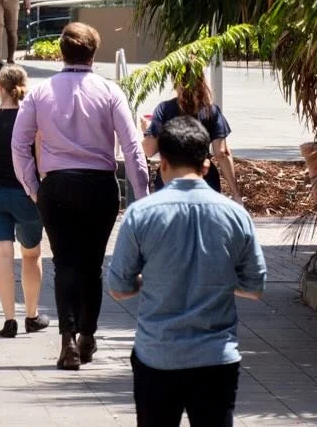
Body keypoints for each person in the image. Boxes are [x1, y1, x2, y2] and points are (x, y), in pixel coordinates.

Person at [108, 115, 266, 427]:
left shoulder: (140, 214)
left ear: (163, 164)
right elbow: (255, 285)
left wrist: (147, 280)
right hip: (216, 357)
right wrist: (221, 279)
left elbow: (118, 287)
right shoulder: (235, 215)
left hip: (157, 355)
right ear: (206, 165)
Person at [11, 21, 149, 371]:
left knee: (64, 263)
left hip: (57, 185)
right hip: (98, 185)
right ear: (93, 53)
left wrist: (33, 187)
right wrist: (143, 195)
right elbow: (132, 147)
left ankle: (68, 340)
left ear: (61, 52)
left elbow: (18, 143)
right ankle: (87, 335)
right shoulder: (110, 91)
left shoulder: (41, 92)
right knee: (92, 263)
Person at [0, 64, 50, 338]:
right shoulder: (32, 121)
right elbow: (40, 163)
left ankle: (9, 320)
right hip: (24, 195)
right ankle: (31, 315)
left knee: (2, 257)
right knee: (31, 254)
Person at [144, 66, 240, 200]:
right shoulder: (211, 111)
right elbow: (222, 153)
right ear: (201, 80)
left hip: (170, 177)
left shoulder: (164, 109)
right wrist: (235, 193)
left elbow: (149, 150)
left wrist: (147, 130)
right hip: (204, 178)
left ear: (175, 80)